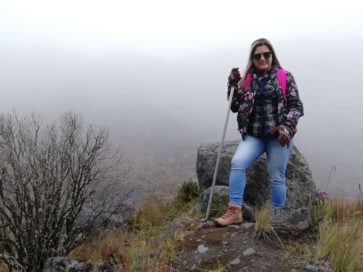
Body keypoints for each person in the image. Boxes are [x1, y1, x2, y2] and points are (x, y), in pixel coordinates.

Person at [215, 38, 304, 226]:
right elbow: (235, 106)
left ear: (272, 56)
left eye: (266, 54)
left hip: (277, 137)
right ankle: (234, 211)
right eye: (258, 56)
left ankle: (277, 218)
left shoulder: (284, 76)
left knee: (276, 176)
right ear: (253, 59)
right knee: (237, 162)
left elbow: (296, 106)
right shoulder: (247, 80)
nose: (262, 58)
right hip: (255, 136)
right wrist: (232, 85)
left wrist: (287, 127)